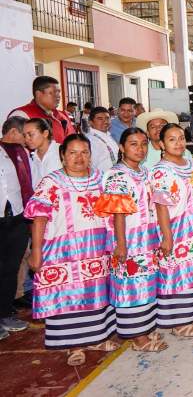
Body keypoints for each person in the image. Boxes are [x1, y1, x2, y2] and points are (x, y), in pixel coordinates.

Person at [24, 134, 117, 364]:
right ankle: (74, 345)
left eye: (84, 152)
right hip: (62, 249)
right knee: (68, 295)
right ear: (63, 156)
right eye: (73, 153)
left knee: (96, 294)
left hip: (96, 247)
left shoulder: (100, 179)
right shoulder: (52, 182)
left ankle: (97, 336)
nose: (79, 157)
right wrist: (37, 251)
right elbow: (38, 218)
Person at [93, 128, 165, 352]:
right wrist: (121, 244)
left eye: (143, 144)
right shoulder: (117, 175)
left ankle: (146, 326)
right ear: (122, 148)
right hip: (129, 238)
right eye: (133, 144)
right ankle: (137, 337)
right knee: (130, 285)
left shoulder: (144, 171)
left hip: (148, 237)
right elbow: (118, 213)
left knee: (147, 283)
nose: (140, 148)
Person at [150, 123, 193, 338]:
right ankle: (178, 322)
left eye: (181, 138)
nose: (178, 143)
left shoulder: (191, 164)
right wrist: (167, 237)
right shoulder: (161, 171)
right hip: (175, 228)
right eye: (172, 139)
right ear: (161, 144)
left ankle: (192, 315)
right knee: (177, 274)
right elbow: (161, 205)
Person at [0, 118, 34, 339]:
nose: (28, 139)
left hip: (17, 219)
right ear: (13, 131)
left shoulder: (22, 154)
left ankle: (5, 313)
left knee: (10, 269)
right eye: (25, 134)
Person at [9, 76, 75, 144]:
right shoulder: (22, 115)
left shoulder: (62, 116)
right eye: (52, 92)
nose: (58, 96)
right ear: (38, 94)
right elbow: (15, 148)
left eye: (59, 92)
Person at [23, 118, 62, 186]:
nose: (26, 139)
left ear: (45, 133)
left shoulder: (62, 152)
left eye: (30, 134)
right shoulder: (32, 157)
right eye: (24, 136)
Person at [86, 107, 119, 174]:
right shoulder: (89, 140)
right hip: (100, 179)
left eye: (107, 118)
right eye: (100, 119)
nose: (105, 121)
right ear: (91, 122)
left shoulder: (108, 136)